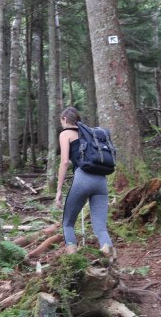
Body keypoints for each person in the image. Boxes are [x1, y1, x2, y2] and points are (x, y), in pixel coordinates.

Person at [55, 107, 114, 256]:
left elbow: (64, 162)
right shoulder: (90, 134)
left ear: (64, 120)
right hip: (101, 181)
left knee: (68, 223)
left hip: (83, 179)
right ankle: (109, 255)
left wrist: (59, 190)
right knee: (100, 228)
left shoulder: (65, 134)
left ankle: (72, 258)